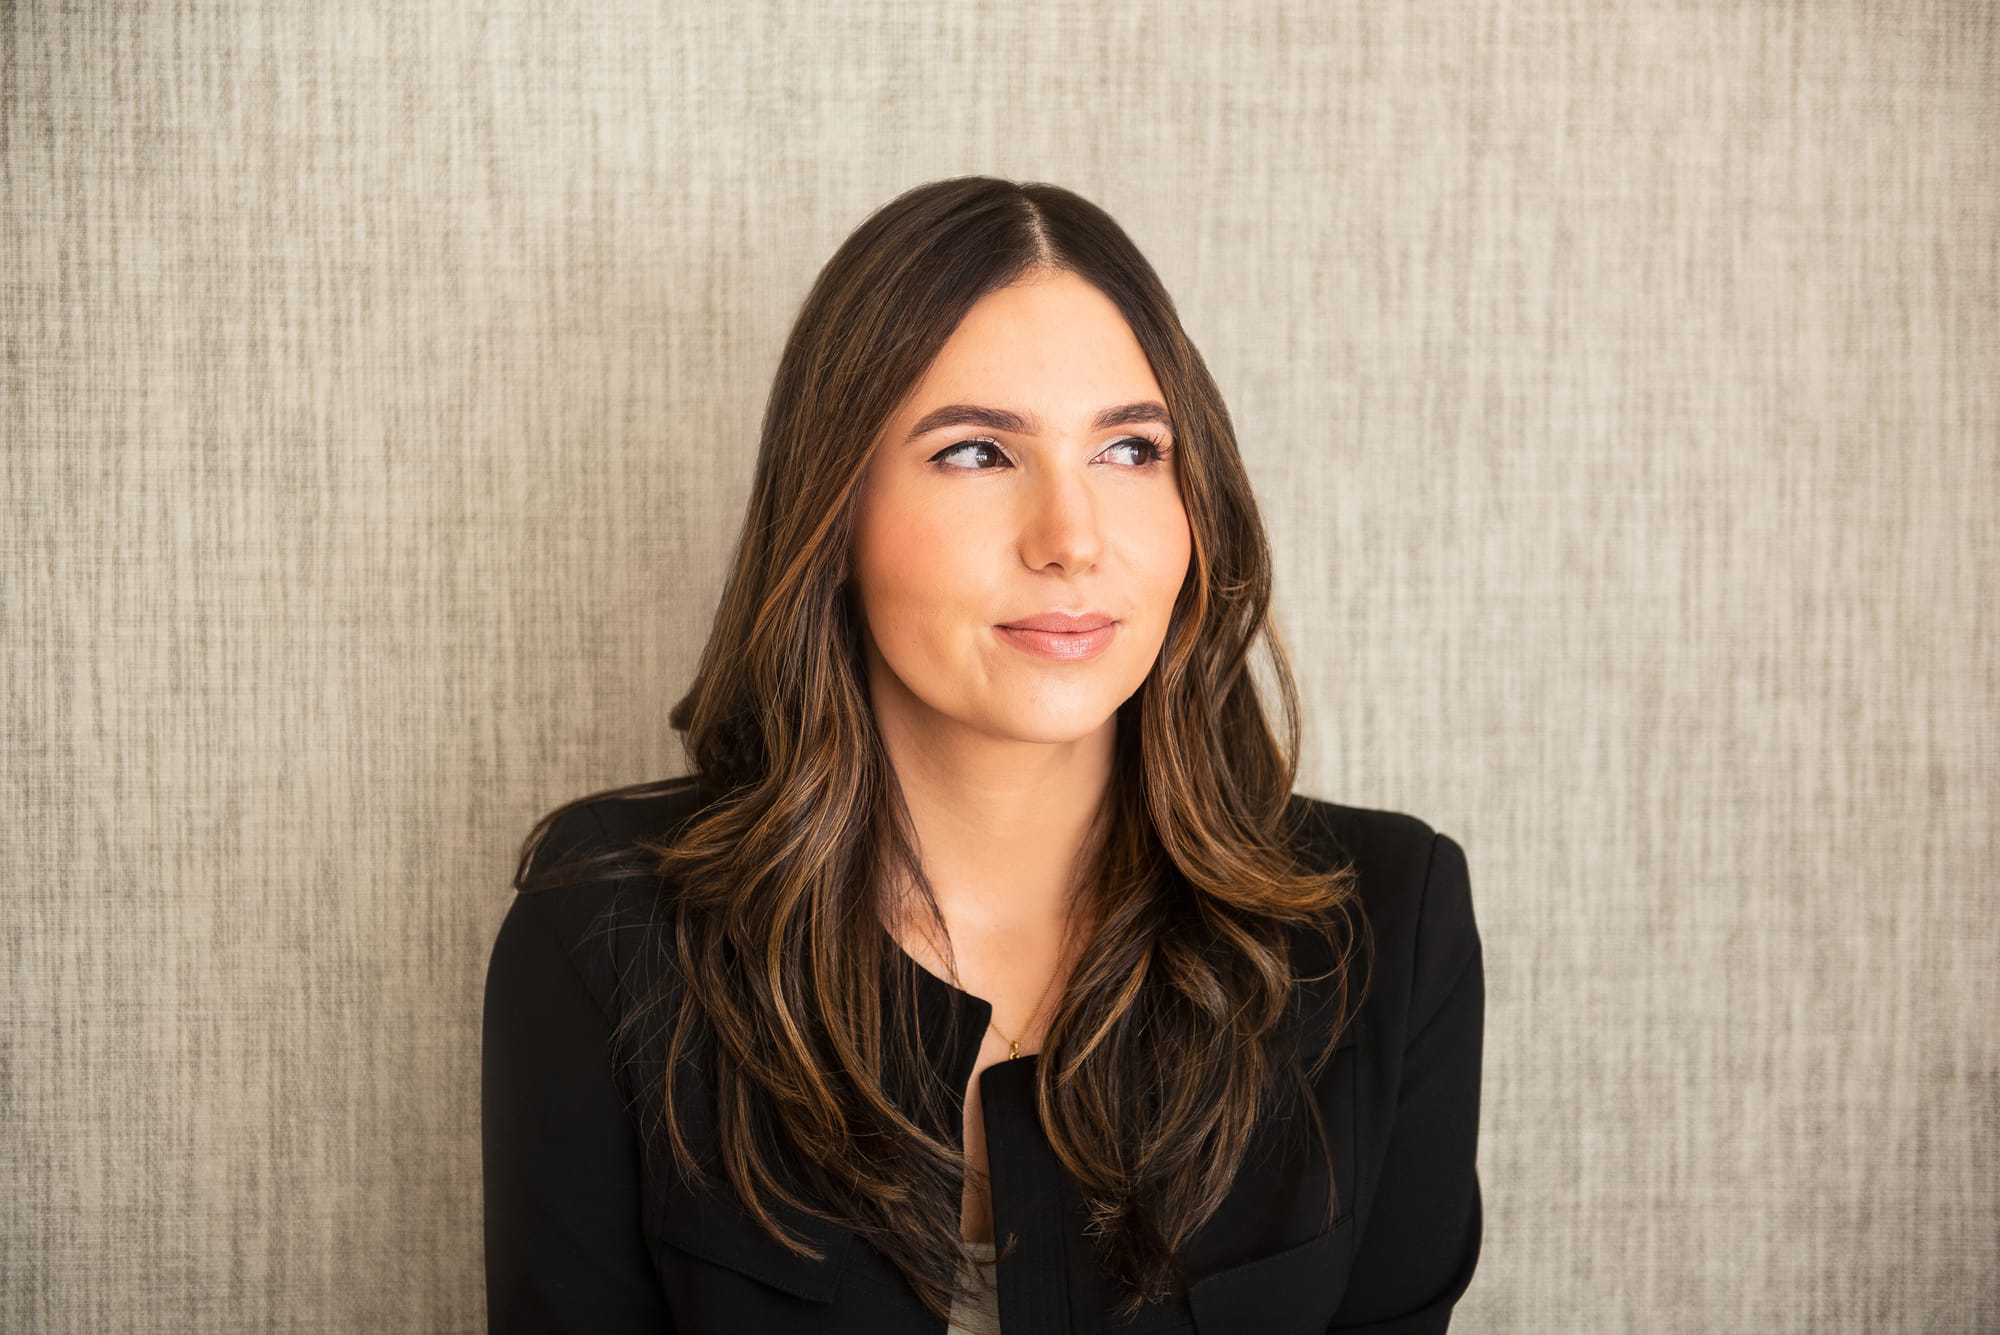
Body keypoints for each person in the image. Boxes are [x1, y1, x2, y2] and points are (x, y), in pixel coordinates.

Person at [481, 175, 1483, 1334]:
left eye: (1128, 449)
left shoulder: (1382, 926)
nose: (1070, 540)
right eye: (974, 453)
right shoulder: (606, 938)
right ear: (832, 513)